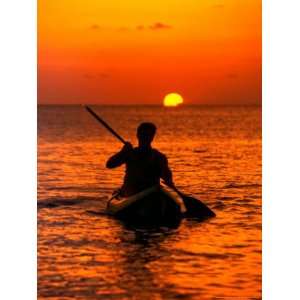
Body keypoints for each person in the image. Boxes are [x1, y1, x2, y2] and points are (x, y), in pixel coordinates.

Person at [106, 122, 174, 196]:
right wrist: (122, 152)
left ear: (152, 137)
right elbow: (109, 164)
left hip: (150, 193)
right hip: (130, 192)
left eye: (148, 135)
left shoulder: (159, 157)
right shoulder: (129, 153)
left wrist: (168, 179)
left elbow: (167, 177)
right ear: (138, 135)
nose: (146, 137)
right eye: (144, 135)